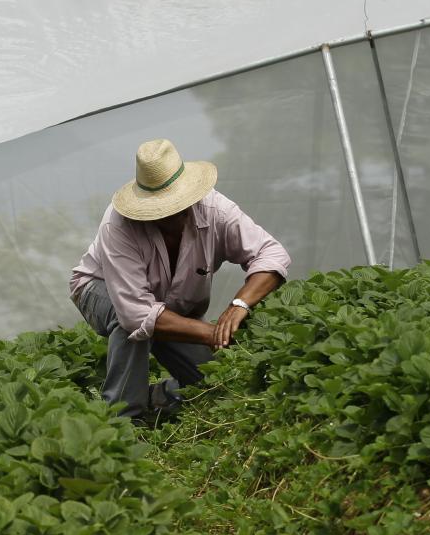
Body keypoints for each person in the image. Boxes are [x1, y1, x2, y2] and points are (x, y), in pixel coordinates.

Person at [69, 139, 290, 422]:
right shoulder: (118, 225)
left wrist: (239, 305)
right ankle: (123, 420)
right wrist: (212, 333)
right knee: (126, 322)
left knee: (215, 381)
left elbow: (271, 254)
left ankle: (158, 397)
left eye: (179, 206)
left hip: (169, 305)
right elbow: (135, 314)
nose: (173, 214)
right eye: (162, 210)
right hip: (98, 289)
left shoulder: (216, 209)